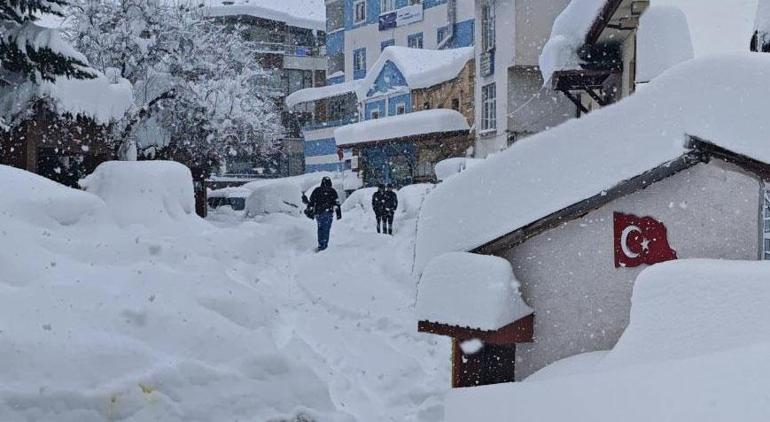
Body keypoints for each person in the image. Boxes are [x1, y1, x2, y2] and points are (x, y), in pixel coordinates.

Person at [307, 177, 342, 251]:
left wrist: (310, 210)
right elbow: (336, 203)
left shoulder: (317, 190)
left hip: (319, 213)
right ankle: (324, 244)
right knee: (326, 229)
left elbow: (312, 201)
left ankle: (321, 244)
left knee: (320, 228)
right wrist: (338, 214)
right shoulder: (332, 191)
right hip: (328, 212)